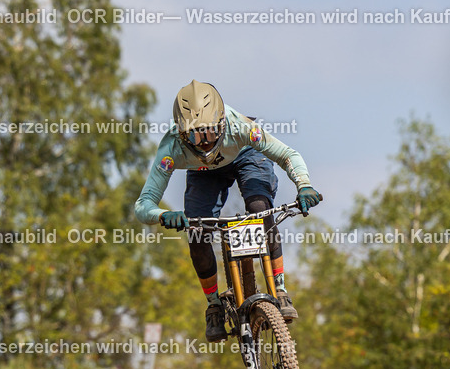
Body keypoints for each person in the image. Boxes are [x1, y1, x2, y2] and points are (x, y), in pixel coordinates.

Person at [134, 80, 322, 342]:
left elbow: (288, 155)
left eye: (211, 132)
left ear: (222, 123)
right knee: (197, 232)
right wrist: (163, 215)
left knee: (259, 210)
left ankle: (280, 289)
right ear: (180, 132)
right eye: (194, 135)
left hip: (246, 155)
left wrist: (304, 186)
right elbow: (144, 204)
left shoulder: (241, 127)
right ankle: (214, 305)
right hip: (204, 174)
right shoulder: (172, 147)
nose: (204, 143)